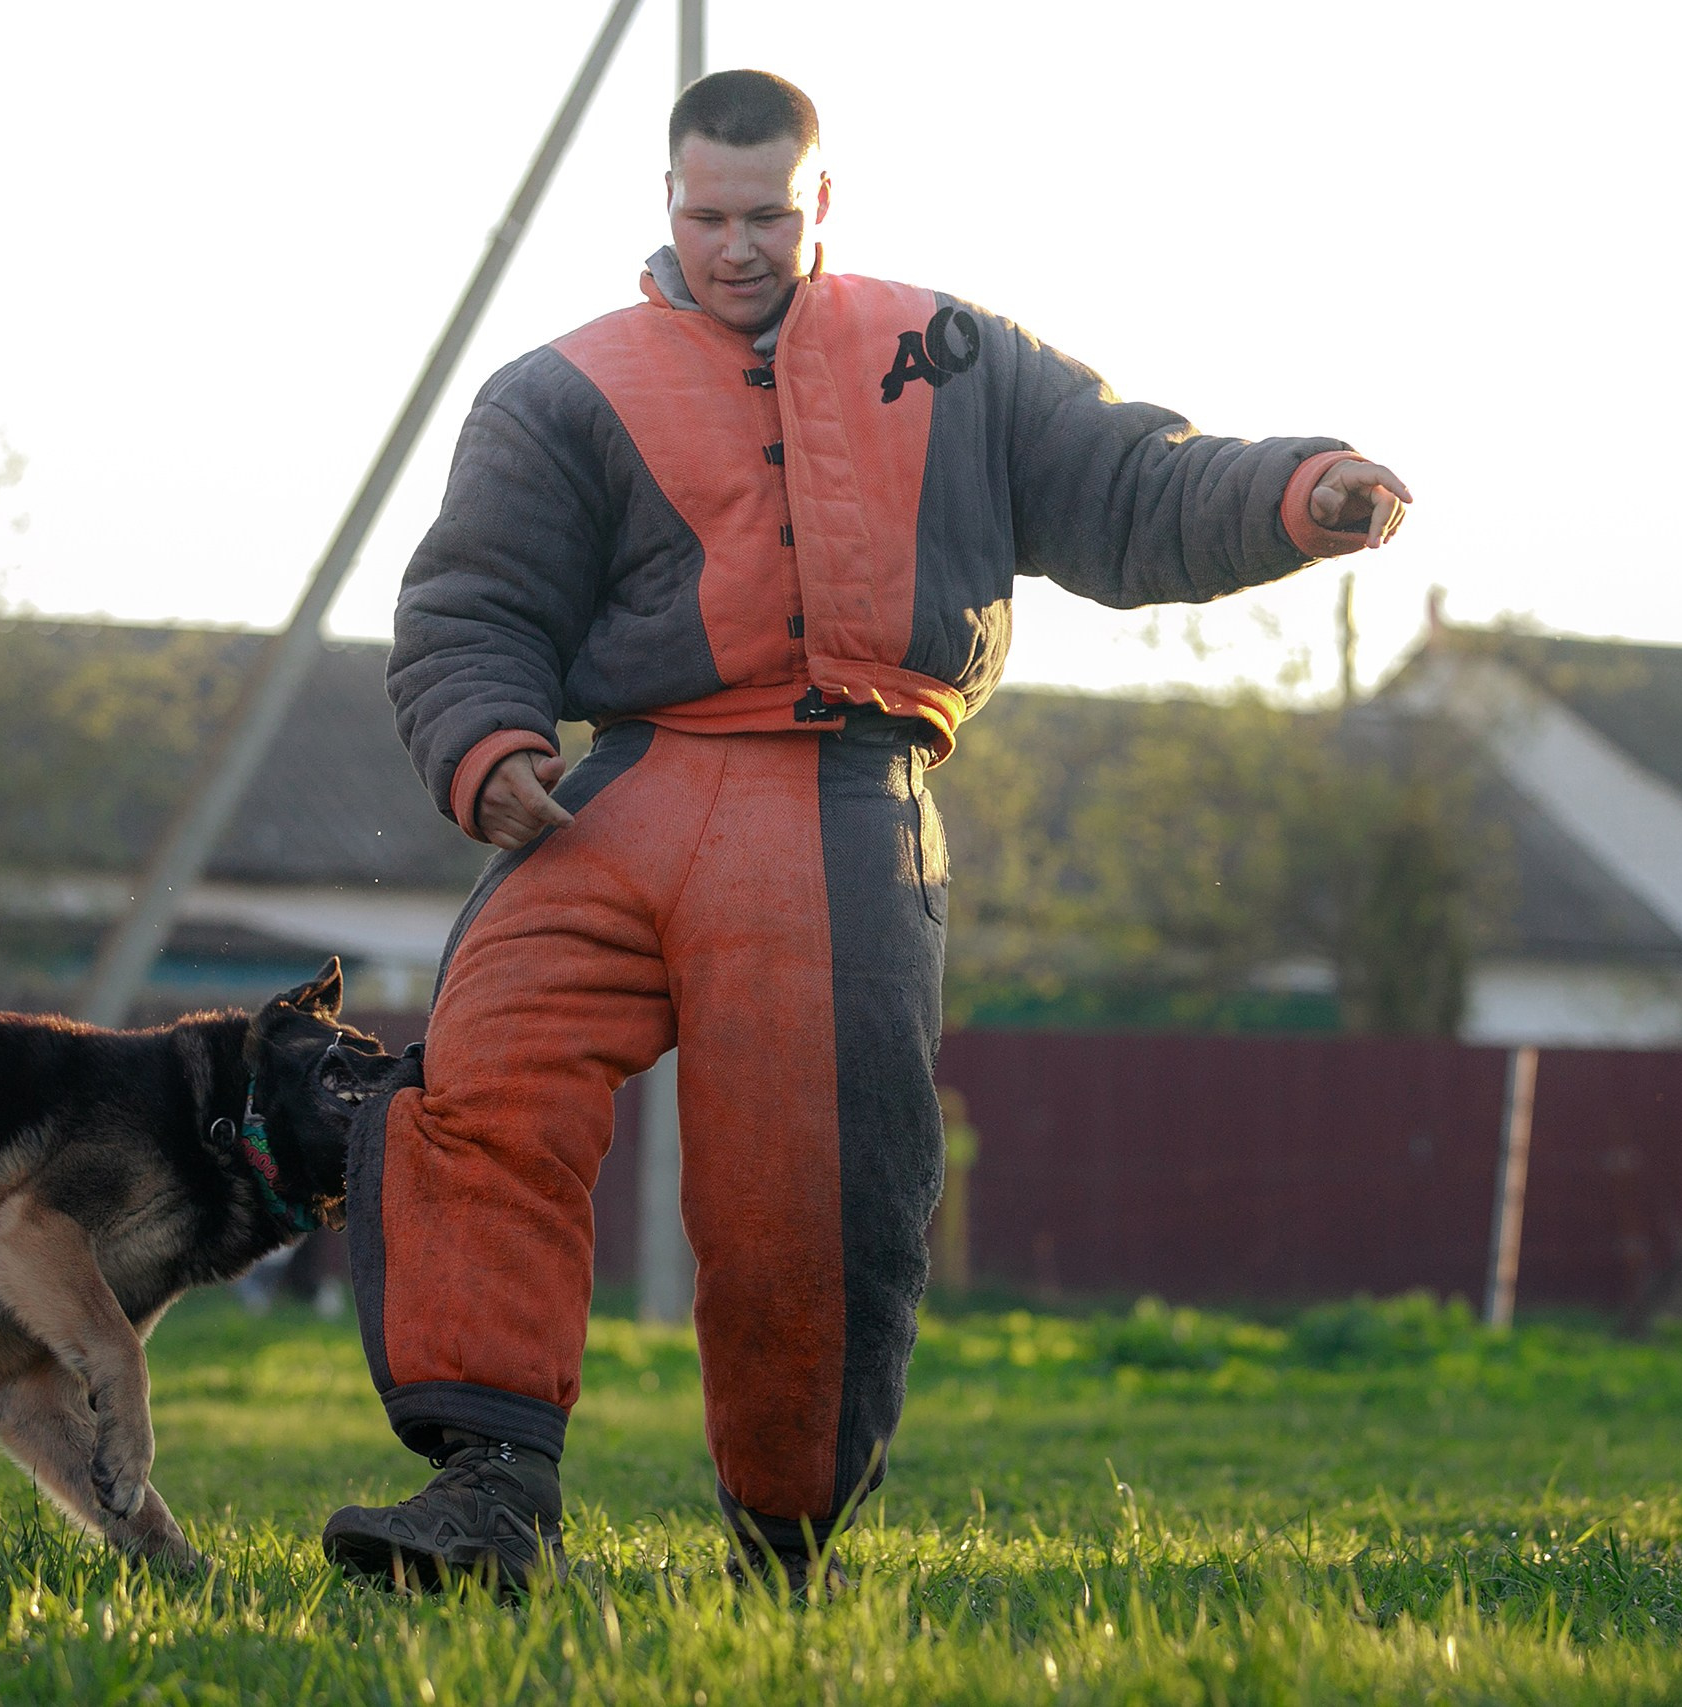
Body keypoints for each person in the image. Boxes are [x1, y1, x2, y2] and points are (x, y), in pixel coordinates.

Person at [323, 70, 1409, 1595]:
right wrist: (485, 747)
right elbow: (469, 604)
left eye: (769, 214)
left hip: (841, 808)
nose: (739, 245)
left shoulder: (954, 354)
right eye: (709, 216)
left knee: (811, 1196)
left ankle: (783, 1539)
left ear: (821, 200)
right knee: (478, 1074)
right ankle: (490, 1489)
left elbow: (1132, 479)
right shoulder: (560, 388)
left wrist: (1304, 491)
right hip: (618, 793)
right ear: (668, 203)